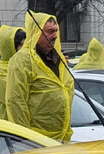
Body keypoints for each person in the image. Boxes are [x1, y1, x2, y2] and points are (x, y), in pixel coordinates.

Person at [7, 11, 75, 141]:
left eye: (56, 30)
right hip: (36, 141)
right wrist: (24, 139)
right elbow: (16, 102)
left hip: (62, 139)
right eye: (50, 31)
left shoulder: (59, 60)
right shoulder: (22, 61)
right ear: (36, 32)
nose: (55, 36)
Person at [0, 25, 25, 120]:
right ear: (10, 47)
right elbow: (16, 99)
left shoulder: (27, 66)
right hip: (9, 129)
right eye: (21, 45)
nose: (24, 49)